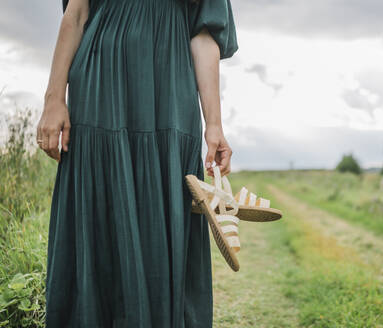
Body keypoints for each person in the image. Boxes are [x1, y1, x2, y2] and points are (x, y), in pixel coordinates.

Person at [35, 0, 238, 326]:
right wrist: (54, 99)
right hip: (100, 88)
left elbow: (204, 35)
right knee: (101, 218)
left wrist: (214, 123)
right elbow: (76, 13)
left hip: (169, 96)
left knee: (162, 218)